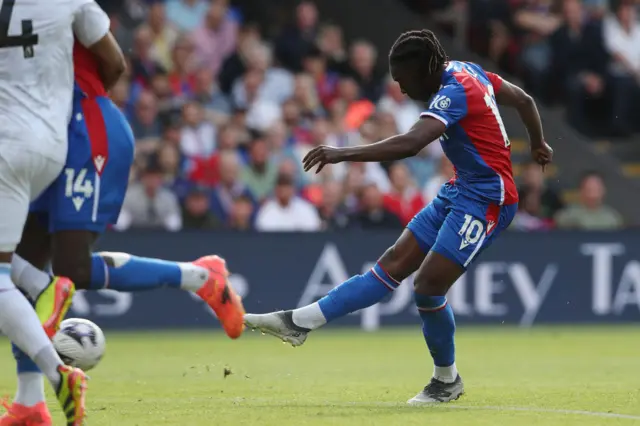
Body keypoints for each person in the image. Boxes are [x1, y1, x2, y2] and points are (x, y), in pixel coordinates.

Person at [245, 29, 552, 404]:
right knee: (391, 264)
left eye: (404, 80)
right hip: (461, 189)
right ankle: (298, 322)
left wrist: (342, 153)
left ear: (425, 69)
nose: (402, 89)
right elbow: (523, 99)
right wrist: (537, 142)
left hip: (489, 200)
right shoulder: (465, 70)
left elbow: (410, 143)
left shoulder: (456, 91)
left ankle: (445, 381)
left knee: (427, 287)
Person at [2, 13, 245, 426]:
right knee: (17, 264)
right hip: (41, 137)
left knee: (69, 268)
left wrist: (83, 99)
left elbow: (114, 63)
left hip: (84, 127)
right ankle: (30, 402)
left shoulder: (58, 6)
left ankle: (202, 278)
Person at [0, 1, 120, 424]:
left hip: (6, 143)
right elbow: (115, 62)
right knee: (11, 264)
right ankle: (40, 285)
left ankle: (56, 372)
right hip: (56, 143)